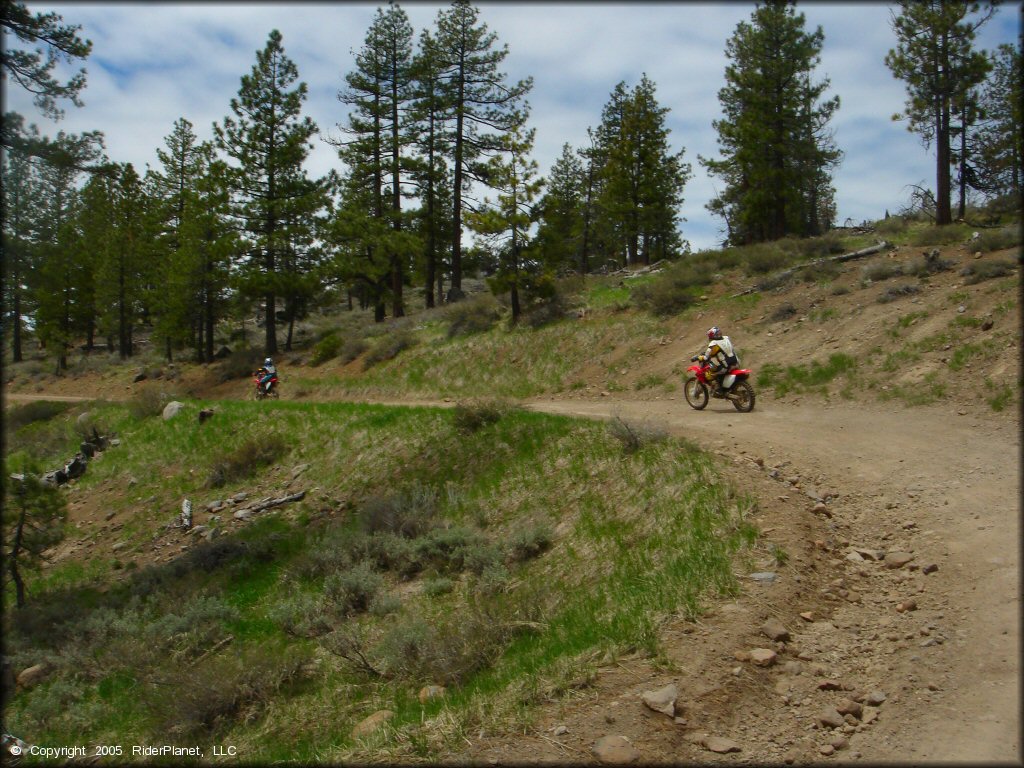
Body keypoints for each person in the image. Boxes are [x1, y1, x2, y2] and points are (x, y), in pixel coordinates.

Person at [697, 326, 739, 393]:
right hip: (736, 363)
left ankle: (718, 389)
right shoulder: (726, 338)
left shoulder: (713, 344)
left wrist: (699, 357)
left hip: (726, 366)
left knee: (711, 371)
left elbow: (706, 357)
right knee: (717, 367)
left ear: (711, 336)